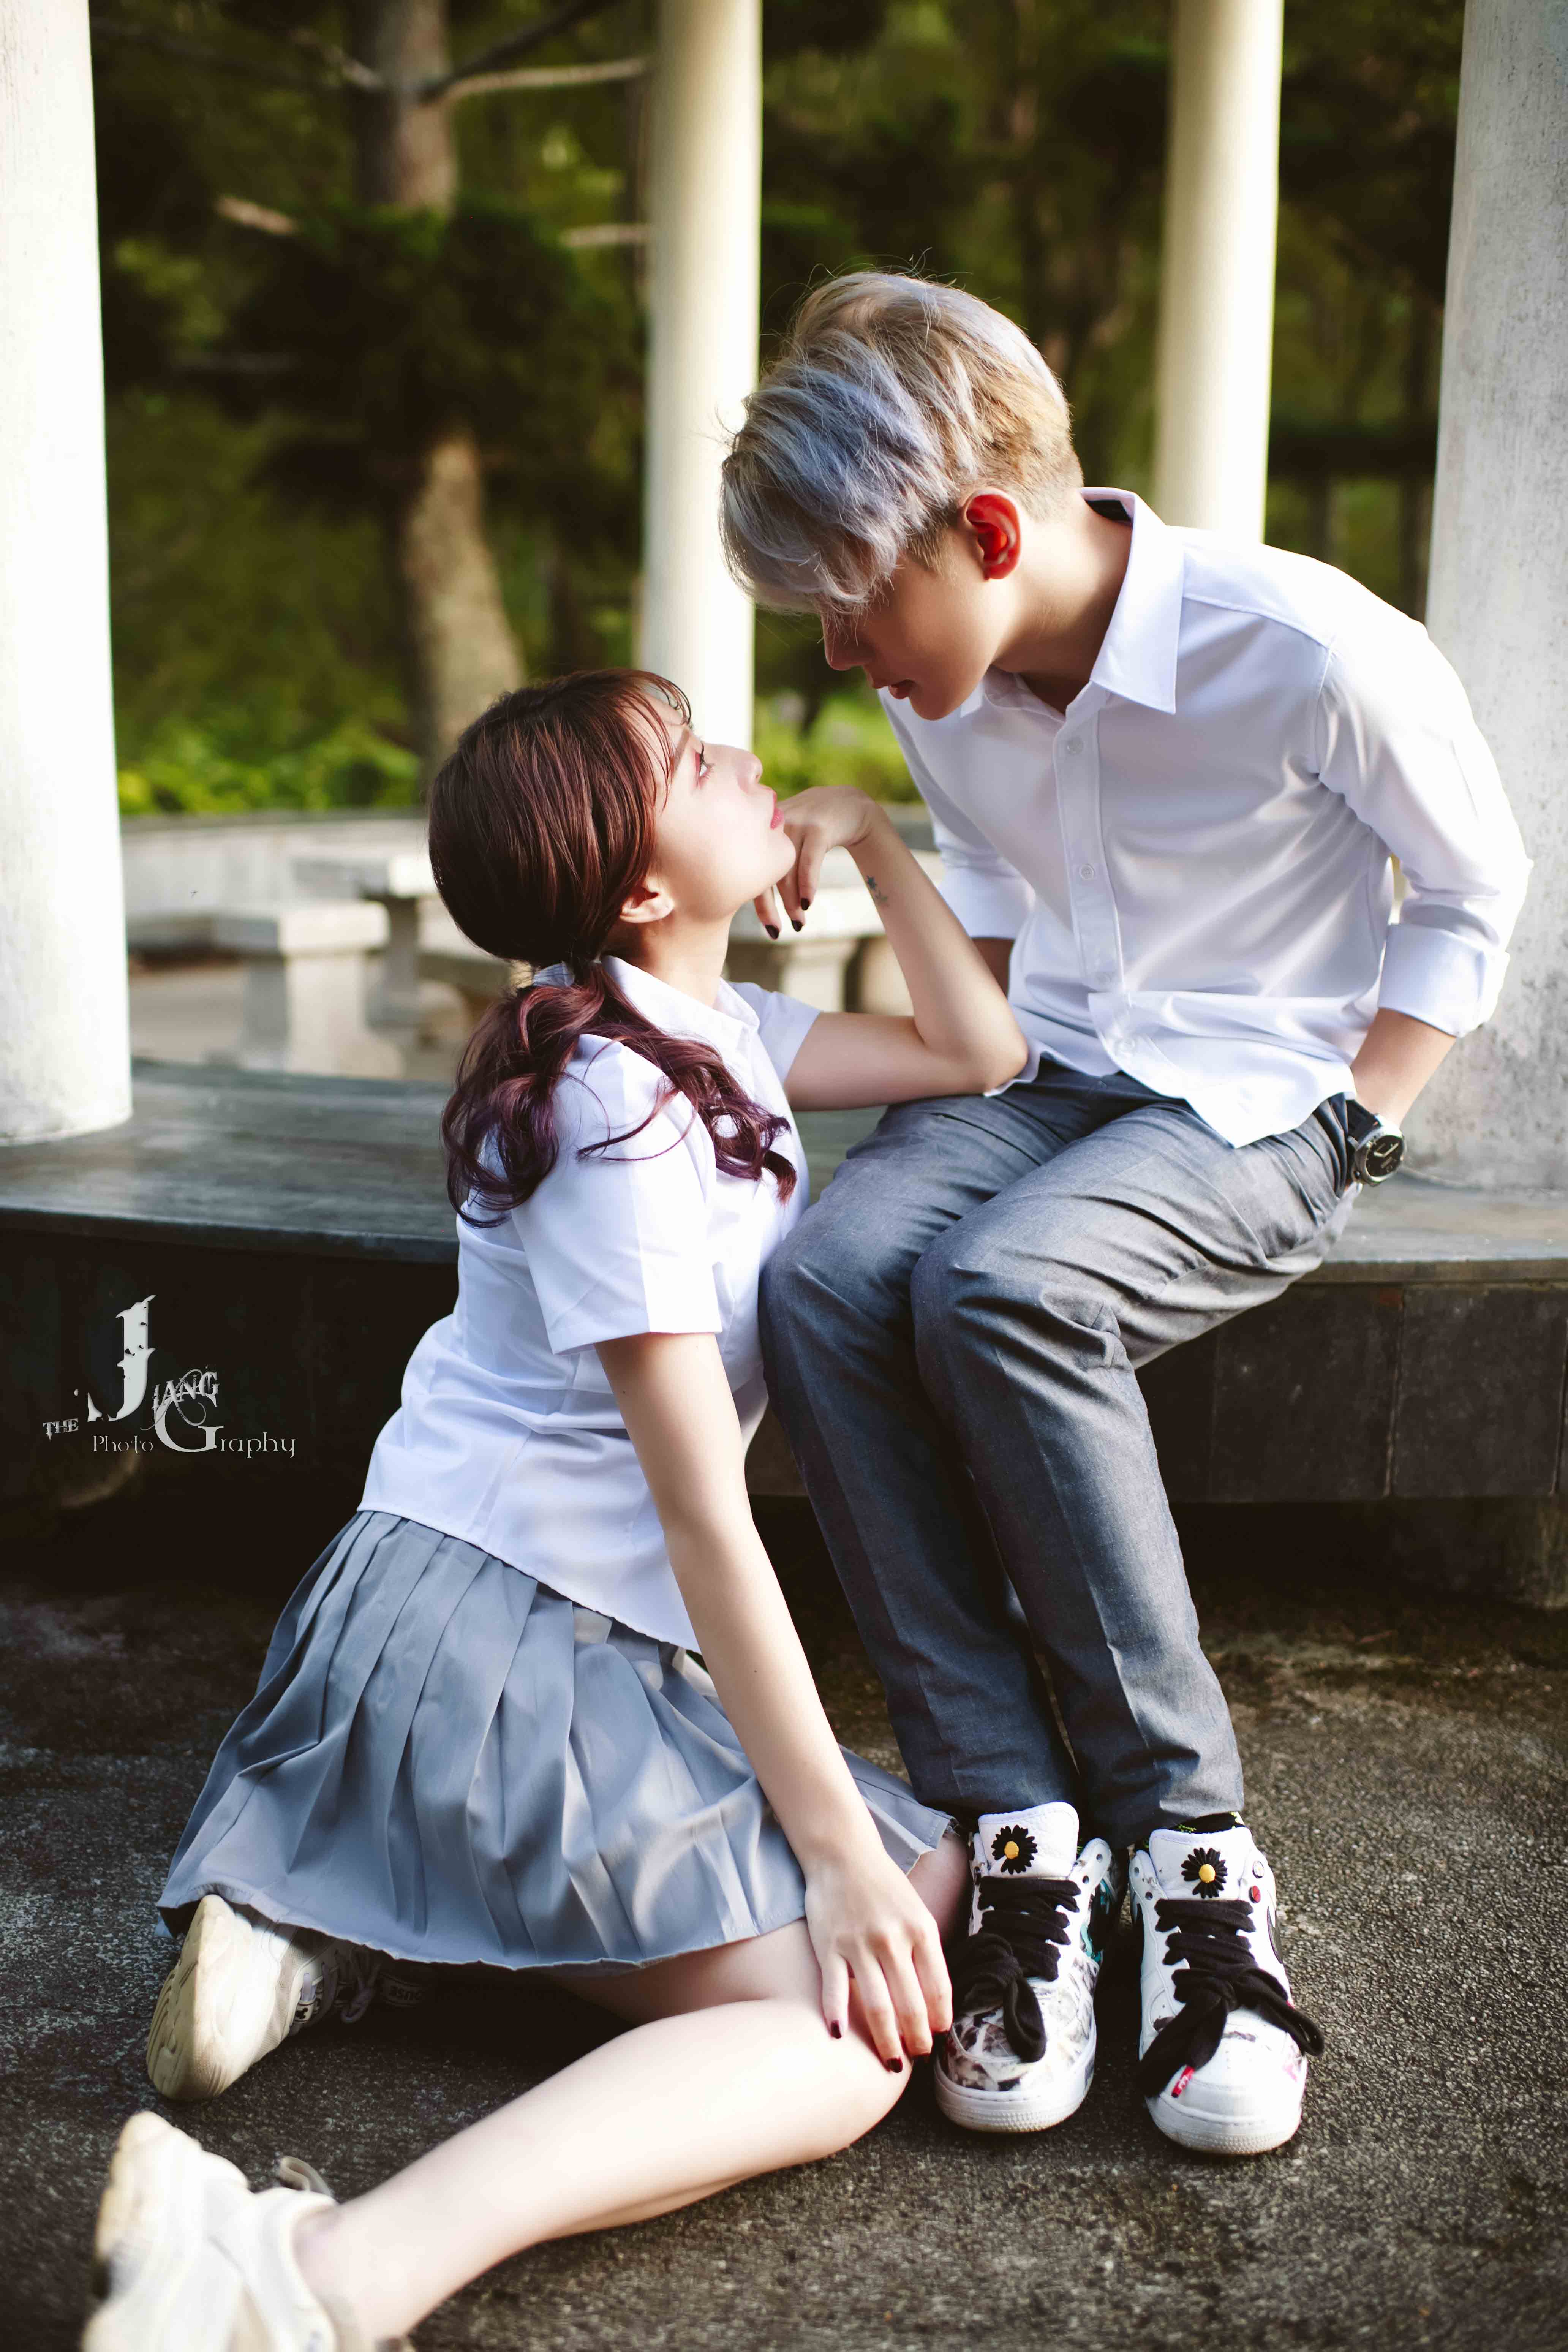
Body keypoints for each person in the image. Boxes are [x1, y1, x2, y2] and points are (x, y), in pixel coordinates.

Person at [84, 667, 1028, 2352]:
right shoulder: (614, 1102)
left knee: (931, 1882)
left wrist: (881, 842)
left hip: (537, 1616)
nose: (746, 758)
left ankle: (353, 1930)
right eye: (695, 760)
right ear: (643, 888)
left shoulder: (718, 1035)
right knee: (848, 2025)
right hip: (491, 1627)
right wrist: (827, 1851)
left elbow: (981, 1049)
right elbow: (703, 1516)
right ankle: (305, 2271)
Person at [718, 270, 1531, 2157]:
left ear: (989, 534)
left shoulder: (1307, 648)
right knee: (829, 1273)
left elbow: (1471, 891)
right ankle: (1019, 1829)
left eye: (851, 601)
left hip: (1261, 1102)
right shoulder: (951, 688)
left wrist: (1362, 1117)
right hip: (1047, 1079)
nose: (838, 650)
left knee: (1004, 1289)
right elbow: (1007, 913)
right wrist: (944, 1033)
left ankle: (1193, 1859)